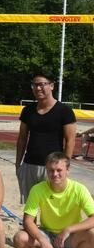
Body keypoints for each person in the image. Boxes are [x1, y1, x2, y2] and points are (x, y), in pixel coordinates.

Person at [13, 152, 94, 248]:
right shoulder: (38, 189)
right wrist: (42, 240)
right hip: (48, 233)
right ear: (46, 170)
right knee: (19, 238)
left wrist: (68, 229)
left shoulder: (79, 189)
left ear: (68, 170)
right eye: (51, 170)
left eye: (59, 170)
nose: (55, 174)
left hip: (71, 236)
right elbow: (28, 221)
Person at [15, 71, 77, 204]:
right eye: (34, 85)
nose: (38, 88)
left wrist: (65, 165)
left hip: (53, 166)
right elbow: (22, 138)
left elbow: (70, 140)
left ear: (52, 86)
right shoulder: (27, 110)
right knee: (30, 205)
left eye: (42, 84)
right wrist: (18, 164)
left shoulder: (64, 111)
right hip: (29, 164)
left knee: (51, 205)